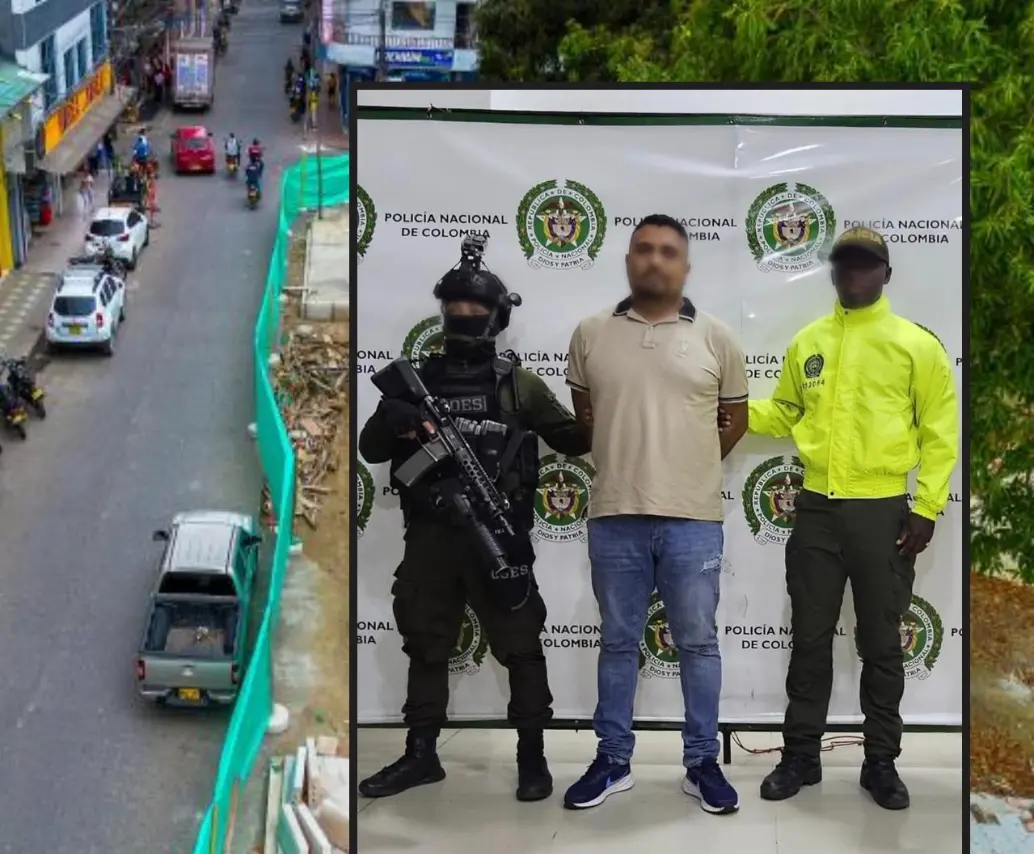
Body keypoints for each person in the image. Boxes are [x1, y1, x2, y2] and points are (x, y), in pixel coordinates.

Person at [719, 227, 958, 811]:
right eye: (845, 263)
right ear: (832, 272)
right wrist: (724, 406)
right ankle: (801, 756)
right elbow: (784, 411)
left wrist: (925, 508)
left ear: (885, 273)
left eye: (866, 264)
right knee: (809, 639)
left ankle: (881, 763)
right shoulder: (810, 342)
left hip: (883, 512)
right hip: (818, 511)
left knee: (881, 644)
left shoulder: (915, 346)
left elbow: (940, 434)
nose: (855, 273)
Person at [357, 240, 591, 803]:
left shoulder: (519, 385)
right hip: (431, 540)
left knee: (521, 647)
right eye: (454, 308)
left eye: (474, 309)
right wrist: (398, 416)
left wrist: (607, 393)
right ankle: (421, 754)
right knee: (426, 643)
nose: (463, 317)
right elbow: (370, 447)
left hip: (496, 539)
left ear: (496, 318)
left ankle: (532, 756)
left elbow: (576, 439)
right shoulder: (417, 379)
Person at [563, 214, 749, 814]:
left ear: (685, 266)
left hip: (693, 520)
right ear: (627, 259)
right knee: (618, 643)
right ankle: (613, 760)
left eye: (668, 252)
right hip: (614, 513)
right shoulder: (590, 333)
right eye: (643, 249)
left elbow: (734, 420)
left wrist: (687, 466)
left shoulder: (716, 337)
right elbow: (585, 412)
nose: (654, 260)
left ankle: (702, 763)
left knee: (698, 643)